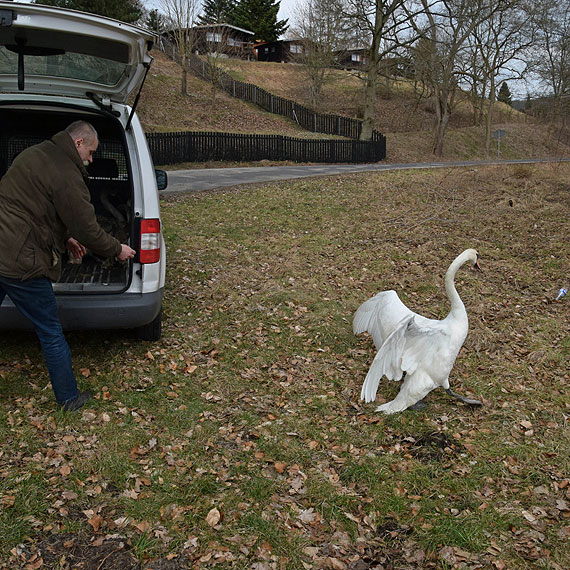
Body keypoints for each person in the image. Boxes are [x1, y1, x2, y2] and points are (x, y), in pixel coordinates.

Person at [0, 120, 136, 411]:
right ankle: (68, 399)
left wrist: (65, 238)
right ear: (78, 144)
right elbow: (87, 228)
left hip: (2, 249)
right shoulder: (67, 174)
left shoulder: (33, 154)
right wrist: (117, 248)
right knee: (50, 332)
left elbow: (36, 209)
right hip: (22, 262)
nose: (91, 159)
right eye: (91, 152)